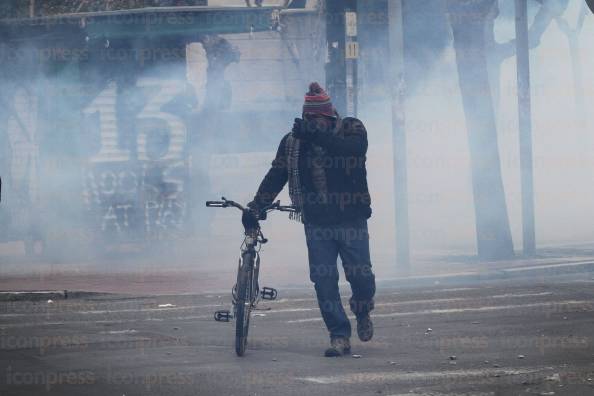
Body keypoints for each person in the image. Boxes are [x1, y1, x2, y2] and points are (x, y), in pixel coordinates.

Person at [242, 82, 375, 357]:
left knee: (361, 277)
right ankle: (339, 336)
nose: (313, 123)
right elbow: (277, 175)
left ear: (329, 117)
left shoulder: (352, 128)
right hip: (317, 223)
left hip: (351, 220)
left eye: (318, 119)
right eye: (309, 118)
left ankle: (363, 309)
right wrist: (258, 204)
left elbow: (352, 151)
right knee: (323, 281)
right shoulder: (293, 142)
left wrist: (316, 135)